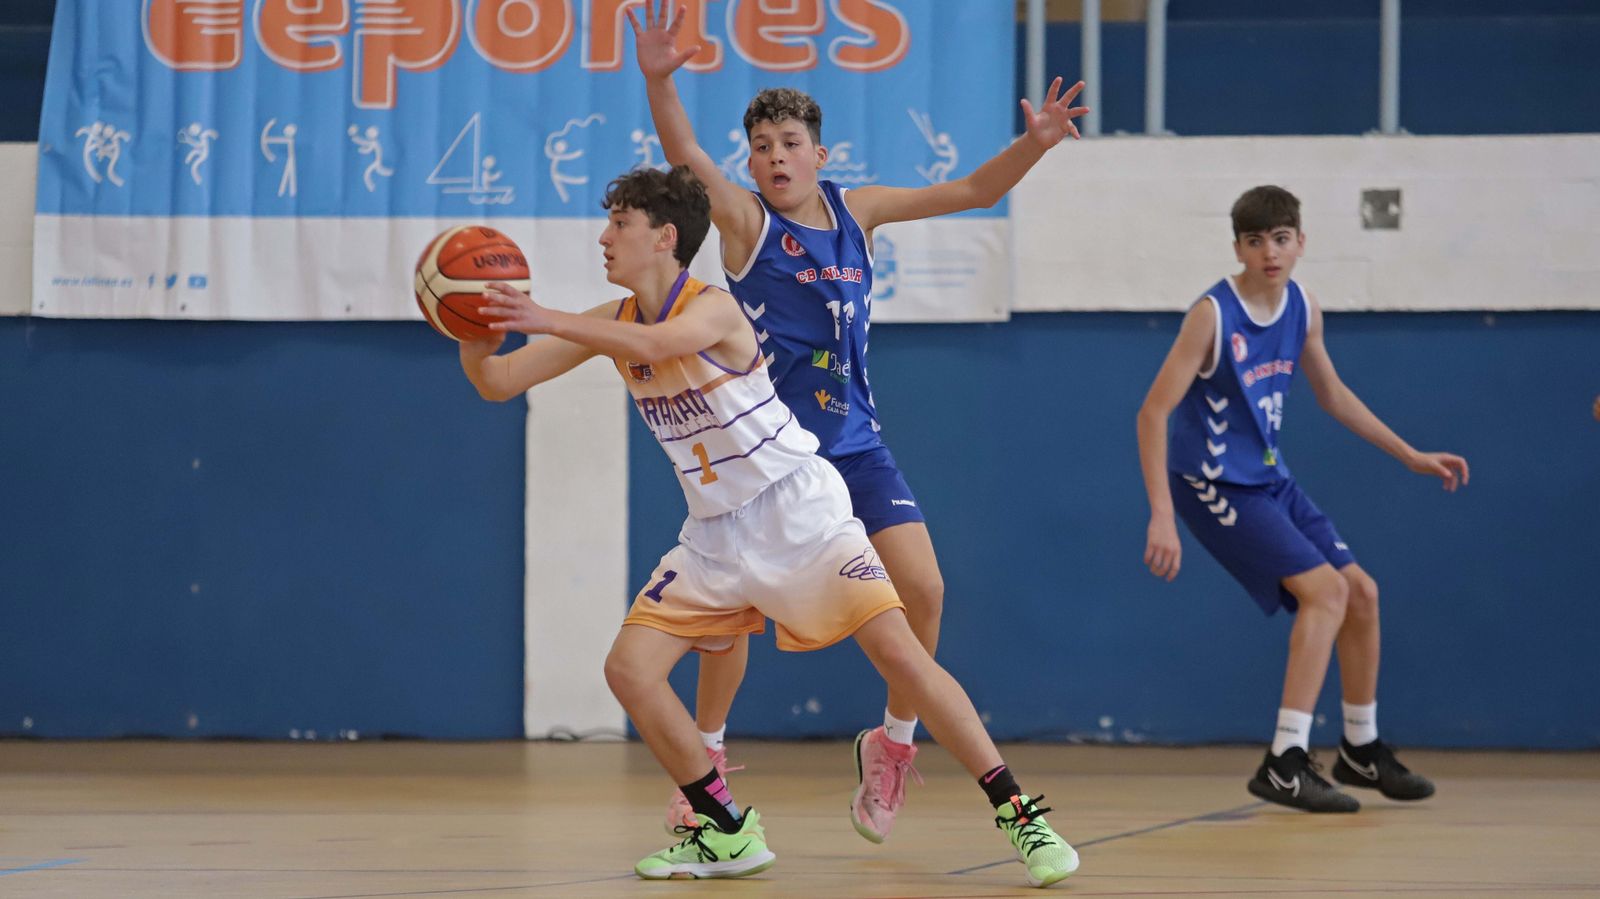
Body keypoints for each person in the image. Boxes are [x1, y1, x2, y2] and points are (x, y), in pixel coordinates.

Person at [461, 166, 1079, 886]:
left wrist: (546, 316)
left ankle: (1020, 814)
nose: (604, 237)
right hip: (715, 535)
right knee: (629, 671)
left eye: (619, 224)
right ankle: (723, 829)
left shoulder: (717, 309)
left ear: (665, 238)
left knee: (903, 654)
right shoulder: (614, 320)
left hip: (800, 510)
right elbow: (499, 382)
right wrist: (472, 326)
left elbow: (664, 347)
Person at [629, 0, 1089, 841]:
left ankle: (894, 741)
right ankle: (709, 756)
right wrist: (660, 80)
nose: (775, 157)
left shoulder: (858, 211)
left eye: (790, 144)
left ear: (820, 154)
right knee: (728, 623)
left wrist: (1038, 140)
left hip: (855, 446)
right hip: (763, 456)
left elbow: (975, 189)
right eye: (762, 146)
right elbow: (686, 155)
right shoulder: (745, 226)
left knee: (925, 590)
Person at [1135, 185, 1470, 813]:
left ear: (1301, 243)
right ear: (1237, 247)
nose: (1270, 251)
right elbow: (1153, 413)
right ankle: (1285, 760)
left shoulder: (1302, 307)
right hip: (1209, 481)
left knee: (1362, 593)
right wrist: (1161, 513)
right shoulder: (1212, 315)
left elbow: (1333, 394)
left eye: (1281, 238)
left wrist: (1410, 453)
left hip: (1266, 475)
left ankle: (1360, 748)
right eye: (1256, 240)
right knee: (1327, 592)